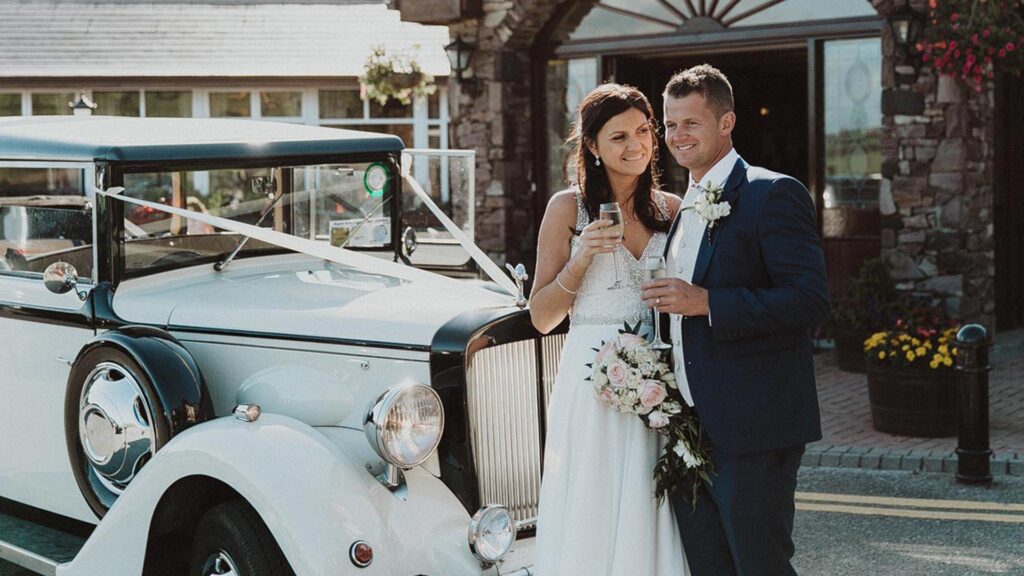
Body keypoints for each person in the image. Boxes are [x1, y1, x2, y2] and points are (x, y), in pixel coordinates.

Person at [640, 64, 829, 576]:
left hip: (754, 425)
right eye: (670, 124)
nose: (677, 136)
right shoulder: (683, 206)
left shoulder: (773, 193)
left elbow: (809, 301)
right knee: (708, 566)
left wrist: (708, 303)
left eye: (691, 123)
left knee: (760, 564)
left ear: (727, 123)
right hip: (688, 427)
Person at [530, 83, 688, 575]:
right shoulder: (566, 208)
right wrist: (581, 260)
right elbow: (542, 316)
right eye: (618, 137)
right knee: (593, 506)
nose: (636, 145)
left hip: (661, 379)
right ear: (593, 147)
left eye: (643, 131)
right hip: (591, 383)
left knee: (652, 501)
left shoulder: (672, 209)